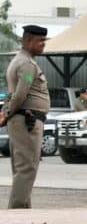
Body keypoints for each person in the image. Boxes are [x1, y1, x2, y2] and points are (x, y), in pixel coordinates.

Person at [1, 25, 50, 209]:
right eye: (40, 41)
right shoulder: (27, 65)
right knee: (27, 168)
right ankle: (17, 211)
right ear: (28, 41)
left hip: (22, 120)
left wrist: (5, 113)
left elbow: (15, 93)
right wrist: (6, 113)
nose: (43, 44)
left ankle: (22, 211)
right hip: (27, 121)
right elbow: (21, 93)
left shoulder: (21, 61)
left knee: (23, 168)